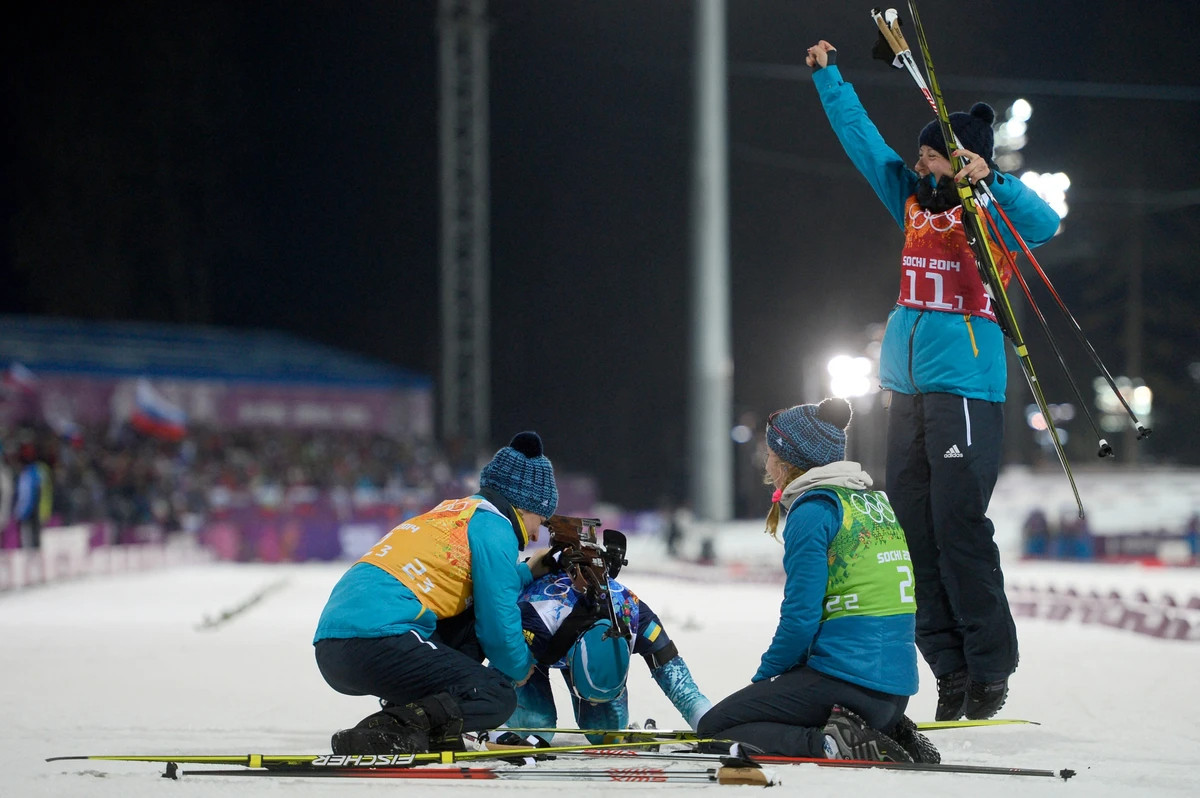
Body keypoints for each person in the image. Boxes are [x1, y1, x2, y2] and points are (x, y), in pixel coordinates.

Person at [805, 40, 1063, 720]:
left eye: (930, 155)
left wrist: (991, 178)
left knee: (958, 527)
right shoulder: (913, 202)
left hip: (966, 390)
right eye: (919, 155)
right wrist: (829, 80)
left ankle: (990, 669)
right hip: (908, 391)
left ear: (960, 160)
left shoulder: (989, 213)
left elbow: (1048, 224)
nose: (918, 163)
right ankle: (949, 669)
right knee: (913, 533)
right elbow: (863, 143)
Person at [697, 398, 938, 764]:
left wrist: (766, 679)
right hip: (892, 691)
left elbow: (800, 618)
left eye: (770, 453)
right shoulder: (874, 503)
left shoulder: (814, 511)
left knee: (715, 728)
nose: (766, 462)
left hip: (850, 684)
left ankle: (831, 743)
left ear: (786, 461)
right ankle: (879, 729)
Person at [313, 431, 560, 755]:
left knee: (467, 622)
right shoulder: (497, 528)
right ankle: (395, 727)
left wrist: (527, 571)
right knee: (495, 695)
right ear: (524, 506)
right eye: (540, 519)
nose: (536, 534)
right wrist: (520, 665)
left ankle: (417, 718)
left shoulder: (456, 512)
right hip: (376, 638)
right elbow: (497, 623)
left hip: (335, 646)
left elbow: (475, 584)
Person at [504, 531, 712, 744]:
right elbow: (499, 662)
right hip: (535, 646)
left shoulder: (637, 617)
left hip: (565, 638)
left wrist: (711, 724)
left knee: (606, 734)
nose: (594, 704)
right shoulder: (536, 619)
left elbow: (681, 686)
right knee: (535, 727)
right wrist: (496, 726)